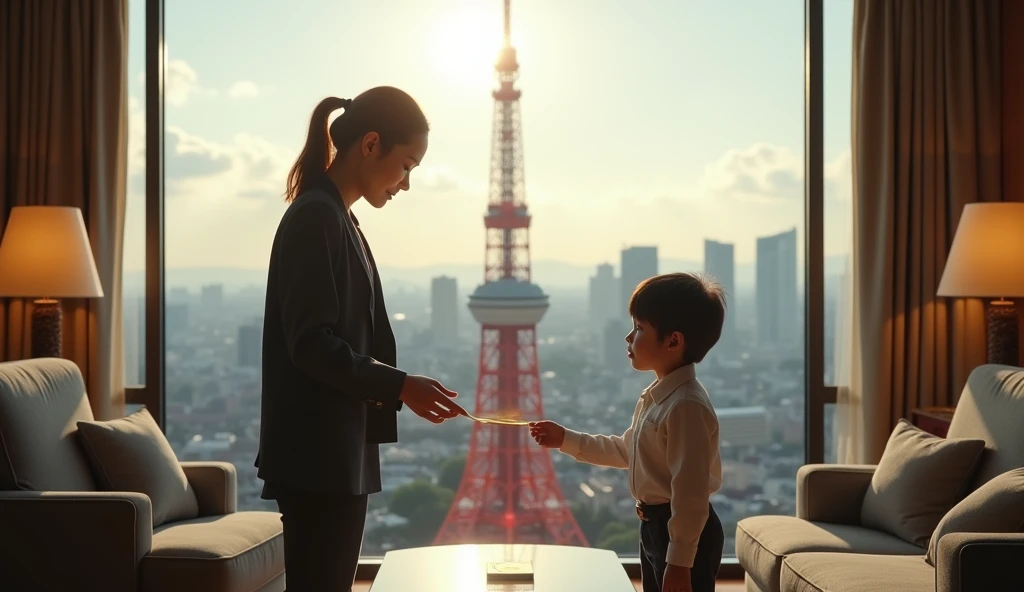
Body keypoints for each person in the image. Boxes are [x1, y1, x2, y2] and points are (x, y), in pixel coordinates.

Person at [256, 87, 466, 592]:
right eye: (407, 165)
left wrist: (398, 387)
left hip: (333, 449)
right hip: (318, 453)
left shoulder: (337, 217)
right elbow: (311, 342)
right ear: (371, 144)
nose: (406, 184)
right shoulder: (317, 218)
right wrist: (399, 386)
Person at [530, 272, 726, 592]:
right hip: (655, 526)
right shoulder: (660, 397)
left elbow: (691, 493)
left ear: (673, 341)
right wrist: (565, 438)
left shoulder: (686, 406)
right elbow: (626, 450)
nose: (628, 337)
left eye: (639, 328)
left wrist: (679, 563)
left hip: (681, 533)